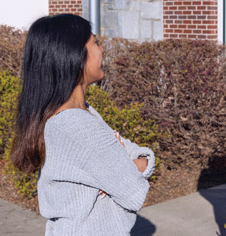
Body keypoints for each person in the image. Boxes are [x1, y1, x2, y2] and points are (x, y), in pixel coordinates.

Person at [10, 14, 155, 236]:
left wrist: (123, 166)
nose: (102, 50)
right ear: (75, 56)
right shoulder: (78, 126)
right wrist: (133, 164)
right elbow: (134, 191)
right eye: (95, 42)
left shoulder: (73, 112)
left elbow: (131, 156)